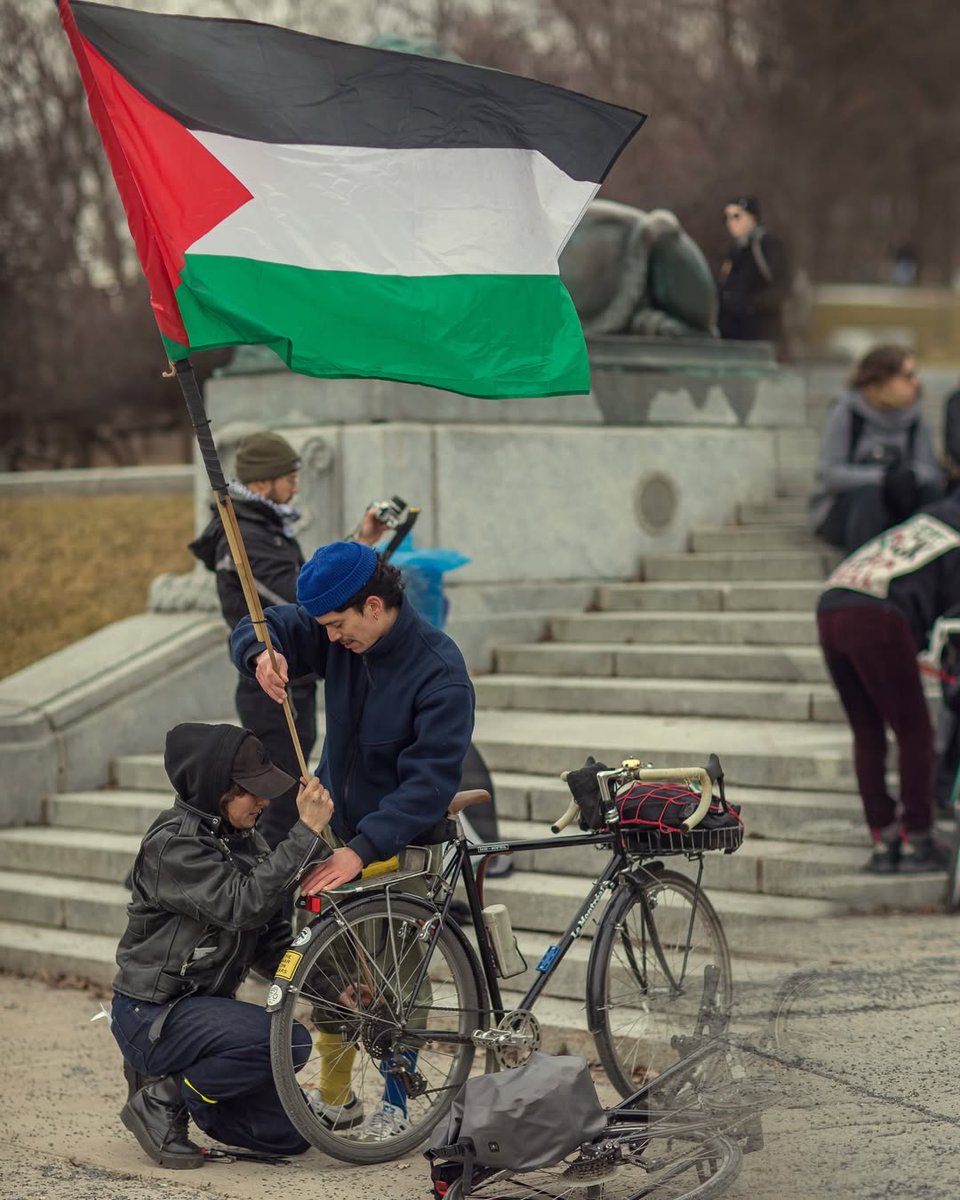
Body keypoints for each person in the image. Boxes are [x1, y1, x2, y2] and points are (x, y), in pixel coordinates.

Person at [230, 541, 475, 1138]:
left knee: (400, 971)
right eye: (324, 630)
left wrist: (362, 849)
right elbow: (264, 623)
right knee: (331, 964)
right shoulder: (339, 637)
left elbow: (429, 784)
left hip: (401, 837)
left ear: (373, 605)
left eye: (338, 626)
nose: (331, 639)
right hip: (337, 825)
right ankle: (337, 1096)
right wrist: (259, 655)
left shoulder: (439, 671)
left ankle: (397, 1101)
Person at [111, 722, 334, 1169]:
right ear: (218, 789)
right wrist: (305, 833)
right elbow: (241, 906)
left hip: (203, 1015)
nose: (265, 802)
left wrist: (333, 988)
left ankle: (180, 1085)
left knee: (288, 1136)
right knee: (288, 1043)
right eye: (252, 791)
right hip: (155, 1013)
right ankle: (163, 1099)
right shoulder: (174, 844)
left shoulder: (244, 839)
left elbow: (271, 942)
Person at [189, 431, 385, 850]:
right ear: (261, 484)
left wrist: (362, 541)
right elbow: (303, 599)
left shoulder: (266, 527)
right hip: (271, 685)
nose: (297, 486)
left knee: (285, 796)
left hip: (288, 686)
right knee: (278, 803)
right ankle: (265, 900)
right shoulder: (246, 537)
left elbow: (311, 591)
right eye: (289, 477)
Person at [815, 495, 960, 874]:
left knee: (868, 731)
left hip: (833, 600)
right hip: (877, 612)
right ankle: (918, 839)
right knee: (914, 731)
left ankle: (885, 836)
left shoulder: (928, 519)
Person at [809, 345, 944, 553]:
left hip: (897, 507)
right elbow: (830, 474)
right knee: (868, 496)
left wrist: (909, 477)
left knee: (932, 495)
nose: (916, 382)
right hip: (846, 513)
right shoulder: (847, 412)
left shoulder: (915, 418)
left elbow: (931, 473)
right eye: (908, 376)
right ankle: (862, 575)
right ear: (881, 382)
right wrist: (884, 478)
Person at [717, 195, 791, 347]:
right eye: (727, 217)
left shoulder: (765, 245)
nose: (731, 222)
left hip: (759, 335)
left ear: (753, 217)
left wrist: (752, 306)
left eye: (737, 216)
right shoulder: (735, 250)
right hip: (733, 335)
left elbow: (782, 285)